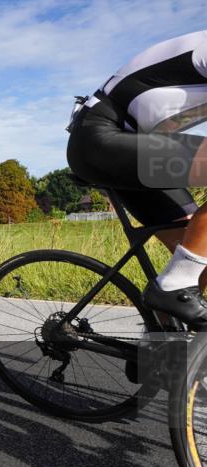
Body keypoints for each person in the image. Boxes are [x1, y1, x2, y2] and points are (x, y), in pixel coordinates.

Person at [67, 30, 207, 327]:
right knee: (183, 275)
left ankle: (162, 345)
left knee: (200, 251)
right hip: (101, 139)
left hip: (137, 147)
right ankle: (174, 286)